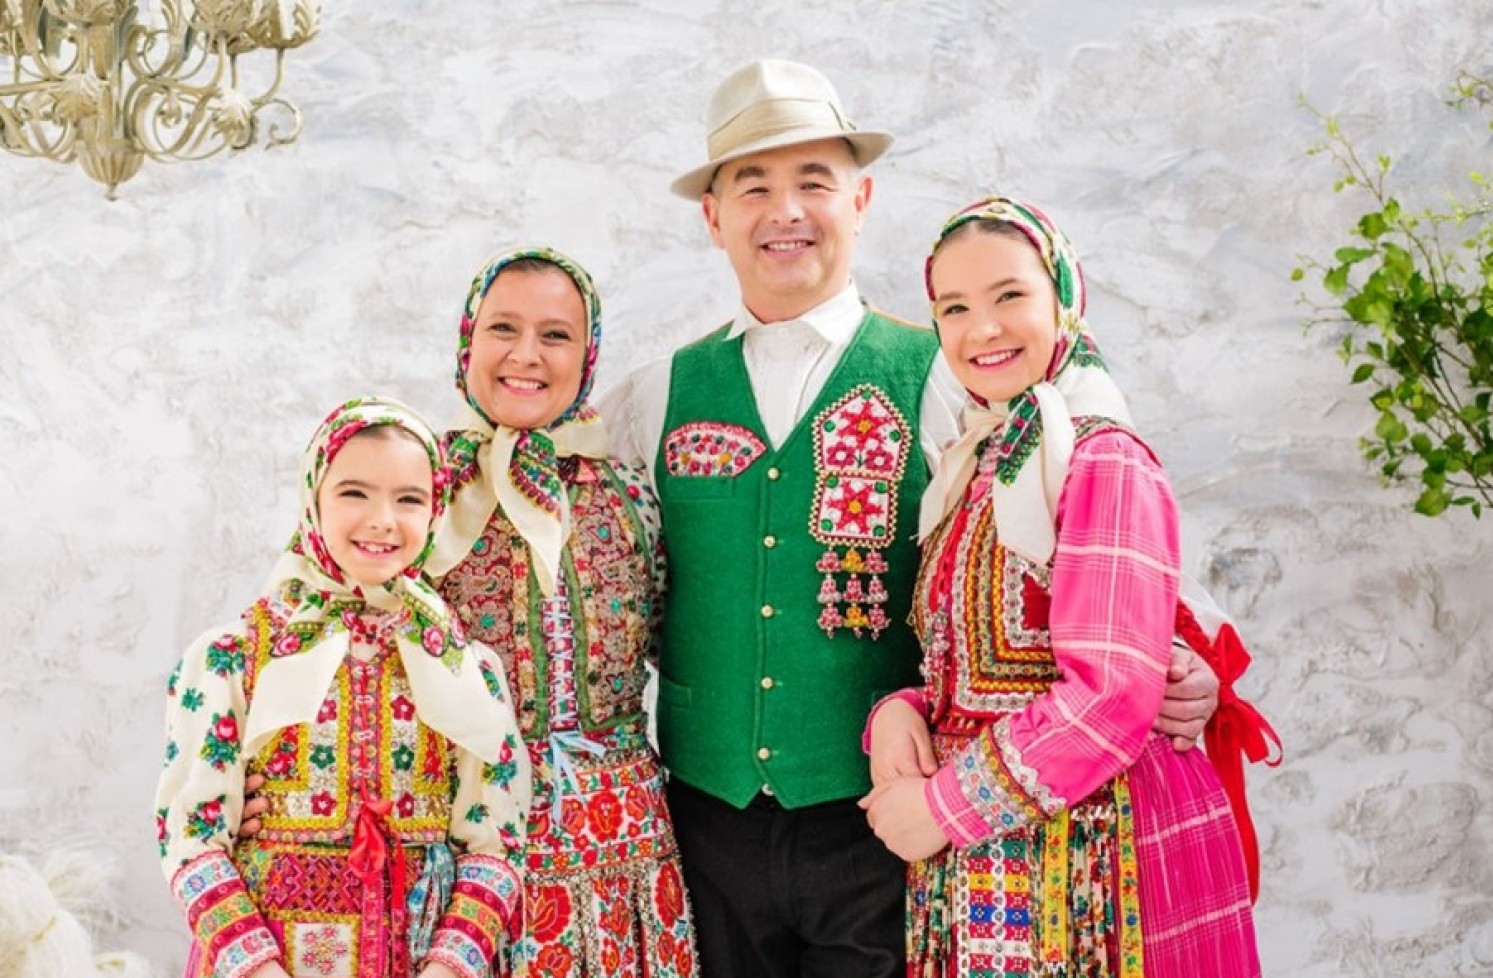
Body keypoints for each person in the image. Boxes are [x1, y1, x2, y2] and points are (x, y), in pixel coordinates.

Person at [600, 60, 1222, 978]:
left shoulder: (951, 369)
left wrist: (1177, 649)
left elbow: (1075, 528)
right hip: (705, 823)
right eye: (753, 187)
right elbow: (598, 568)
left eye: (814, 181)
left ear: (860, 199)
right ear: (712, 215)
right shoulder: (649, 397)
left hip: (890, 821)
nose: (785, 211)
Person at [859, 196, 1270, 976]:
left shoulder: (1101, 456)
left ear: (1064, 298)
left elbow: (1110, 693)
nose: (982, 328)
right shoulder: (977, 461)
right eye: (954, 307)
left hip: (1091, 861)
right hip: (986, 861)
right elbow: (979, 662)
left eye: (1009, 295)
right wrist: (900, 712)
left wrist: (942, 809)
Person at [154, 397, 530, 978]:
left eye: (409, 499)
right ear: (313, 498)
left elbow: (495, 842)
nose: (382, 519)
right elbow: (191, 838)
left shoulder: (464, 666)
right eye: (355, 492)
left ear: (436, 510)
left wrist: (448, 968)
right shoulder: (232, 656)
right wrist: (260, 970)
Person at [424, 247, 699, 978]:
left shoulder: (631, 494)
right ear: (468, 339)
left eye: (555, 335)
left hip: (615, 847)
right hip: (458, 848)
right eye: (503, 328)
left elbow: (687, 650)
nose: (526, 355)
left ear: (587, 354)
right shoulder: (416, 490)